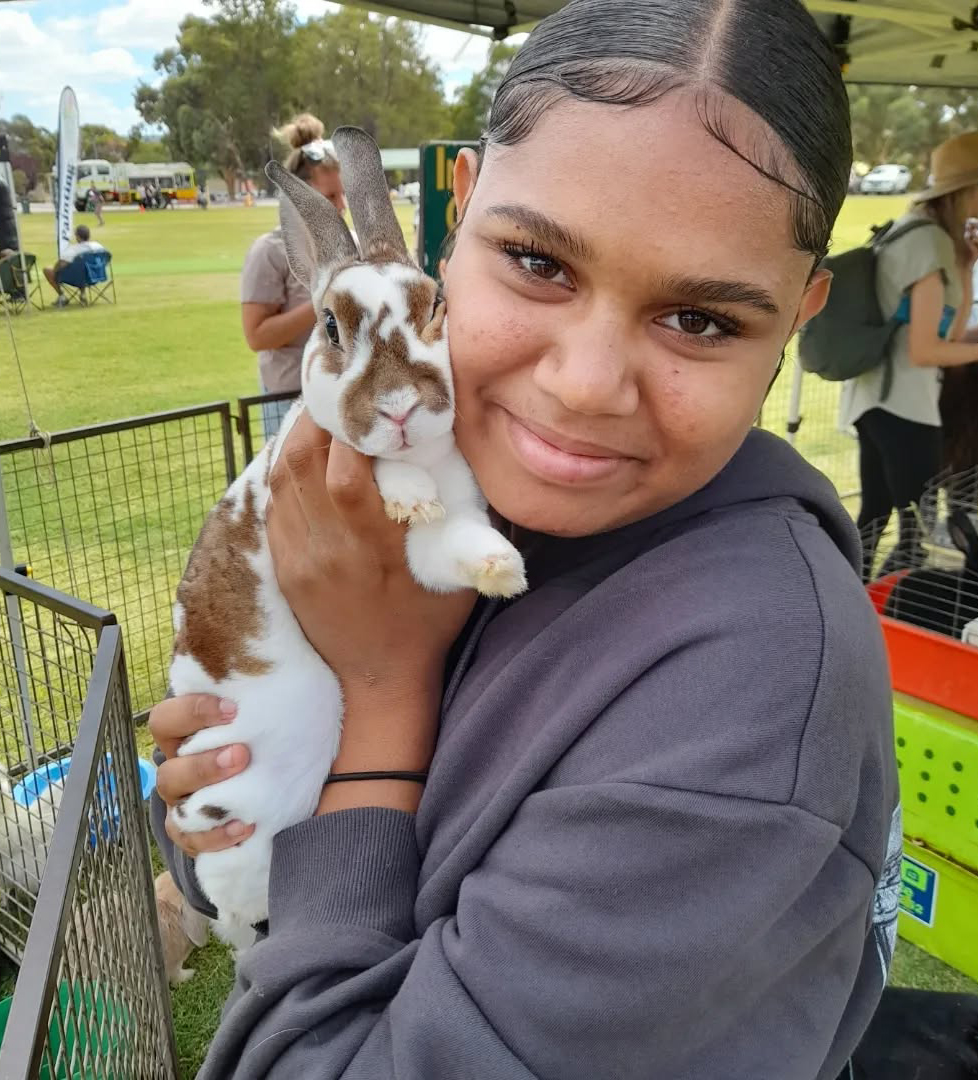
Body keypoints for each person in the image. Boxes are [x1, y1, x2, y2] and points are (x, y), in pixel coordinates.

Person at [150, 2, 900, 1077]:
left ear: (798, 315)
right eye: (539, 262)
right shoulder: (403, 480)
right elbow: (226, 829)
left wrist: (382, 694)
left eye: (701, 320)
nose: (584, 387)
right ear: (460, 209)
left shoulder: (757, 690)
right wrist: (240, 775)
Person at [841, 132, 978, 576]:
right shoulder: (928, 243)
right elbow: (925, 350)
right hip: (905, 407)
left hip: (875, 399)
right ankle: (895, 607)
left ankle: (855, 598)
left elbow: (946, 332)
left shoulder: (915, 231)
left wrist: (966, 265)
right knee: (915, 526)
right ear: (967, 191)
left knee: (876, 515)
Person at [239, 112, 346, 437]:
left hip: (339, 391)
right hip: (289, 399)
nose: (342, 206)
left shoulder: (348, 245)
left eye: (343, 194)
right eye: (330, 196)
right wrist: (324, 301)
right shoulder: (269, 252)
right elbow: (257, 336)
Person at [42, 224, 104, 307]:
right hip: (96, 275)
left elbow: (61, 264)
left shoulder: (74, 250)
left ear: (78, 236)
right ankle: (82, 294)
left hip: (77, 278)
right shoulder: (98, 246)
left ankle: (62, 296)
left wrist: (55, 271)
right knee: (82, 269)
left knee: (48, 270)